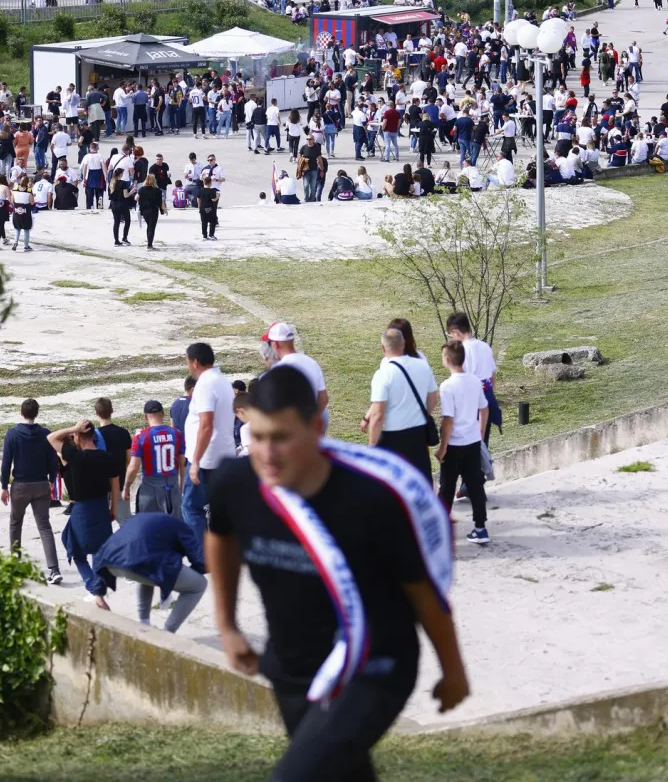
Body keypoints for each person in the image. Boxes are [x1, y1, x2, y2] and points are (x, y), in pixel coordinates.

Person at [206, 366, 467, 782]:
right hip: (293, 670)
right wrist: (226, 624)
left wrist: (453, 671)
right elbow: (220, 537)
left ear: (315, 427)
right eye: (258, 437)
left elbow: (423, 593)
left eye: (282, 438)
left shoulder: (373, 497)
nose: (267, 453)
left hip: (374, 666)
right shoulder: (234, 483)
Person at [92, 512, 207, 631]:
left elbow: (101, 552)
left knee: (147, 571)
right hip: (140, 561)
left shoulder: (143, 520)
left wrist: (98, 594)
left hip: (112, 564)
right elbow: (200, 561)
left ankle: (144, 622)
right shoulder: (183, 528)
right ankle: (167, 633)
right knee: (199, 585)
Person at [48, 419, 119, 603]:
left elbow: (51, 438)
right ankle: (98, 588)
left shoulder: (76, 457)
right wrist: (114, 509)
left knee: (74, 548)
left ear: (78, 437)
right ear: (94, 437)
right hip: (102, 505)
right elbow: (115, 487)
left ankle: (95, 588)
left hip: (83, 508)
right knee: (97, 548)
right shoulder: (107, 457)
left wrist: (73, 428)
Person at [182, 342, 236, 566]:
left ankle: (203, 559)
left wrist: (195, 461)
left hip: (206, 458)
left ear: (195, 362)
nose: (187, 366)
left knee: (191, 507)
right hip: (224, 452)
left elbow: (206, 424)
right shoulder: (223, 381)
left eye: (187, 361)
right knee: (219, 508)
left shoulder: (205, 384)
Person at [362, 328, 437, 482]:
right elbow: (433, 399)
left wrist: (372, 446)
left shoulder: (383, 374)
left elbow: (377, 414)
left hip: (392, 438)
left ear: (383, 348)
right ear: (403, 344)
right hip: (418, 434)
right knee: (421, 483)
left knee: (394, 487)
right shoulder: (422, 366)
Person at [0, 399, 62, 584]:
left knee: (15, 523)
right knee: (44, 526)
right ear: (37, 413)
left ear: (21, 412)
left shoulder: (12, 434)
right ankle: (54, 569)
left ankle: (15, 563)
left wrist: (4, 486)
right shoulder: (45, 434)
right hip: (41, 484)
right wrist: (52, 481)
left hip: (20, 486)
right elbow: (53, 461)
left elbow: (5, 464)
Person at [436, 341, 490, 544]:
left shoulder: (447, 386)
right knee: (475, 485)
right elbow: (484, 408)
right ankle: (480, 528)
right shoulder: (475, 381)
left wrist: (442, 448)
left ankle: (442, 530)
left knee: (447, 486)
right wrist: (480, 432)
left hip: (454, 445)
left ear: (448, 360)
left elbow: (448, 420)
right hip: (473, 442)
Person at [123, 400, 185, 518]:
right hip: (172, 486)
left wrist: (126, 486)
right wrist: (181, 485)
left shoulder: (141, 437)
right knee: (174, 529)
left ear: (146, 417)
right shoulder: (177, 434)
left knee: (149, 529)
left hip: (150, 488)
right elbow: (183, 463)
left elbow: (134, 467)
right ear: (163, 414)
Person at [263, 321, 329, 416]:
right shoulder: (312, 362)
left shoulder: (278, 370)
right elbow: (323, 399)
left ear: (275, 344)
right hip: (311, 426)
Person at [94, 397, 132, 524]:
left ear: (96, 413)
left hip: (101, 484)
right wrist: (128, 483)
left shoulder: (94, 435)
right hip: (120, 481)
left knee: (102, 522)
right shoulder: (123, 433)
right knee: (125, 521)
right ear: (112, 411)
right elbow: (128, 461)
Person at [137, 173, 167, 250]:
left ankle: (149, 243)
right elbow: (161, 202)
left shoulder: (142, 189)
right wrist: (164, 210)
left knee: (149, 226)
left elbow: (136, 198)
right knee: (151, 228)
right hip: (153, 210)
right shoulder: (157, 190)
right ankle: (149, 245)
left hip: (144, 210)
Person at [109, 167, 135, 246]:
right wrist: (132, 191)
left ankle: (116, 240)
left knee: (116, 222)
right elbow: (126, 195)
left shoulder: (111, 183)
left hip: (114, 204)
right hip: (122, 204)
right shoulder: (123, 183)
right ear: (121, 174)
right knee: (127, 220)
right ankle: (124, 238)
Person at [197, 174, 219, 240]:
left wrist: (199, 206)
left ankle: (204, 236)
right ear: (210, 183)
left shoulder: (201, 190)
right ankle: (211, 235)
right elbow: (213, 199)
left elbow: (198, 198)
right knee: (212, 221)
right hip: (210, 208)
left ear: (204, 182)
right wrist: (218, 196)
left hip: (202, 208)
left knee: (204, 222)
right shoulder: (212, 191)